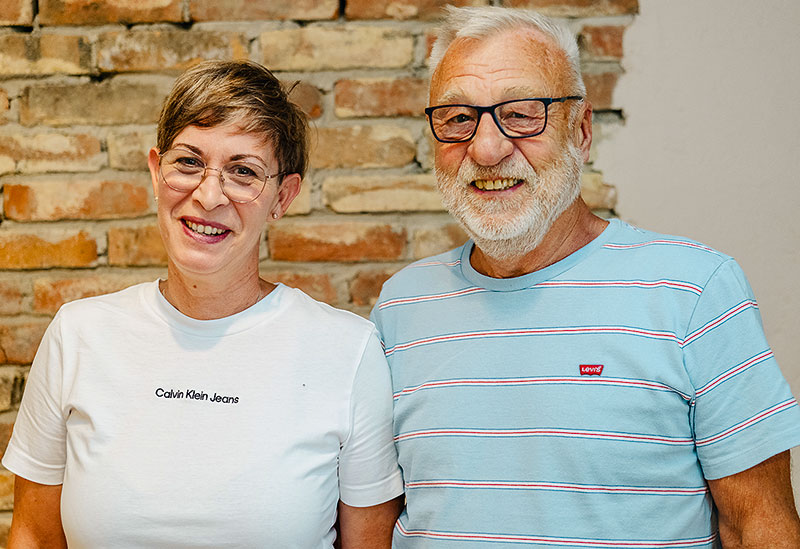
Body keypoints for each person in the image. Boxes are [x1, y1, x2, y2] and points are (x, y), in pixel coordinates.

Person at [371, 6, 800, 547]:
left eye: (523, 113)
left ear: (582, 130)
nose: (485, 149)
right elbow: (375, 516)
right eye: (458, 119)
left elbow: (758, 525)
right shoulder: (401, 305)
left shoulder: (695, 290)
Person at [2, 60, 403, 548]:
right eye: (189, 162)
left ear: (284, 196)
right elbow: (34, 537)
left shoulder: (348, 351)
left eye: (243, 172)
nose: (208, 195)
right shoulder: (78, 335)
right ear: (156, 171)